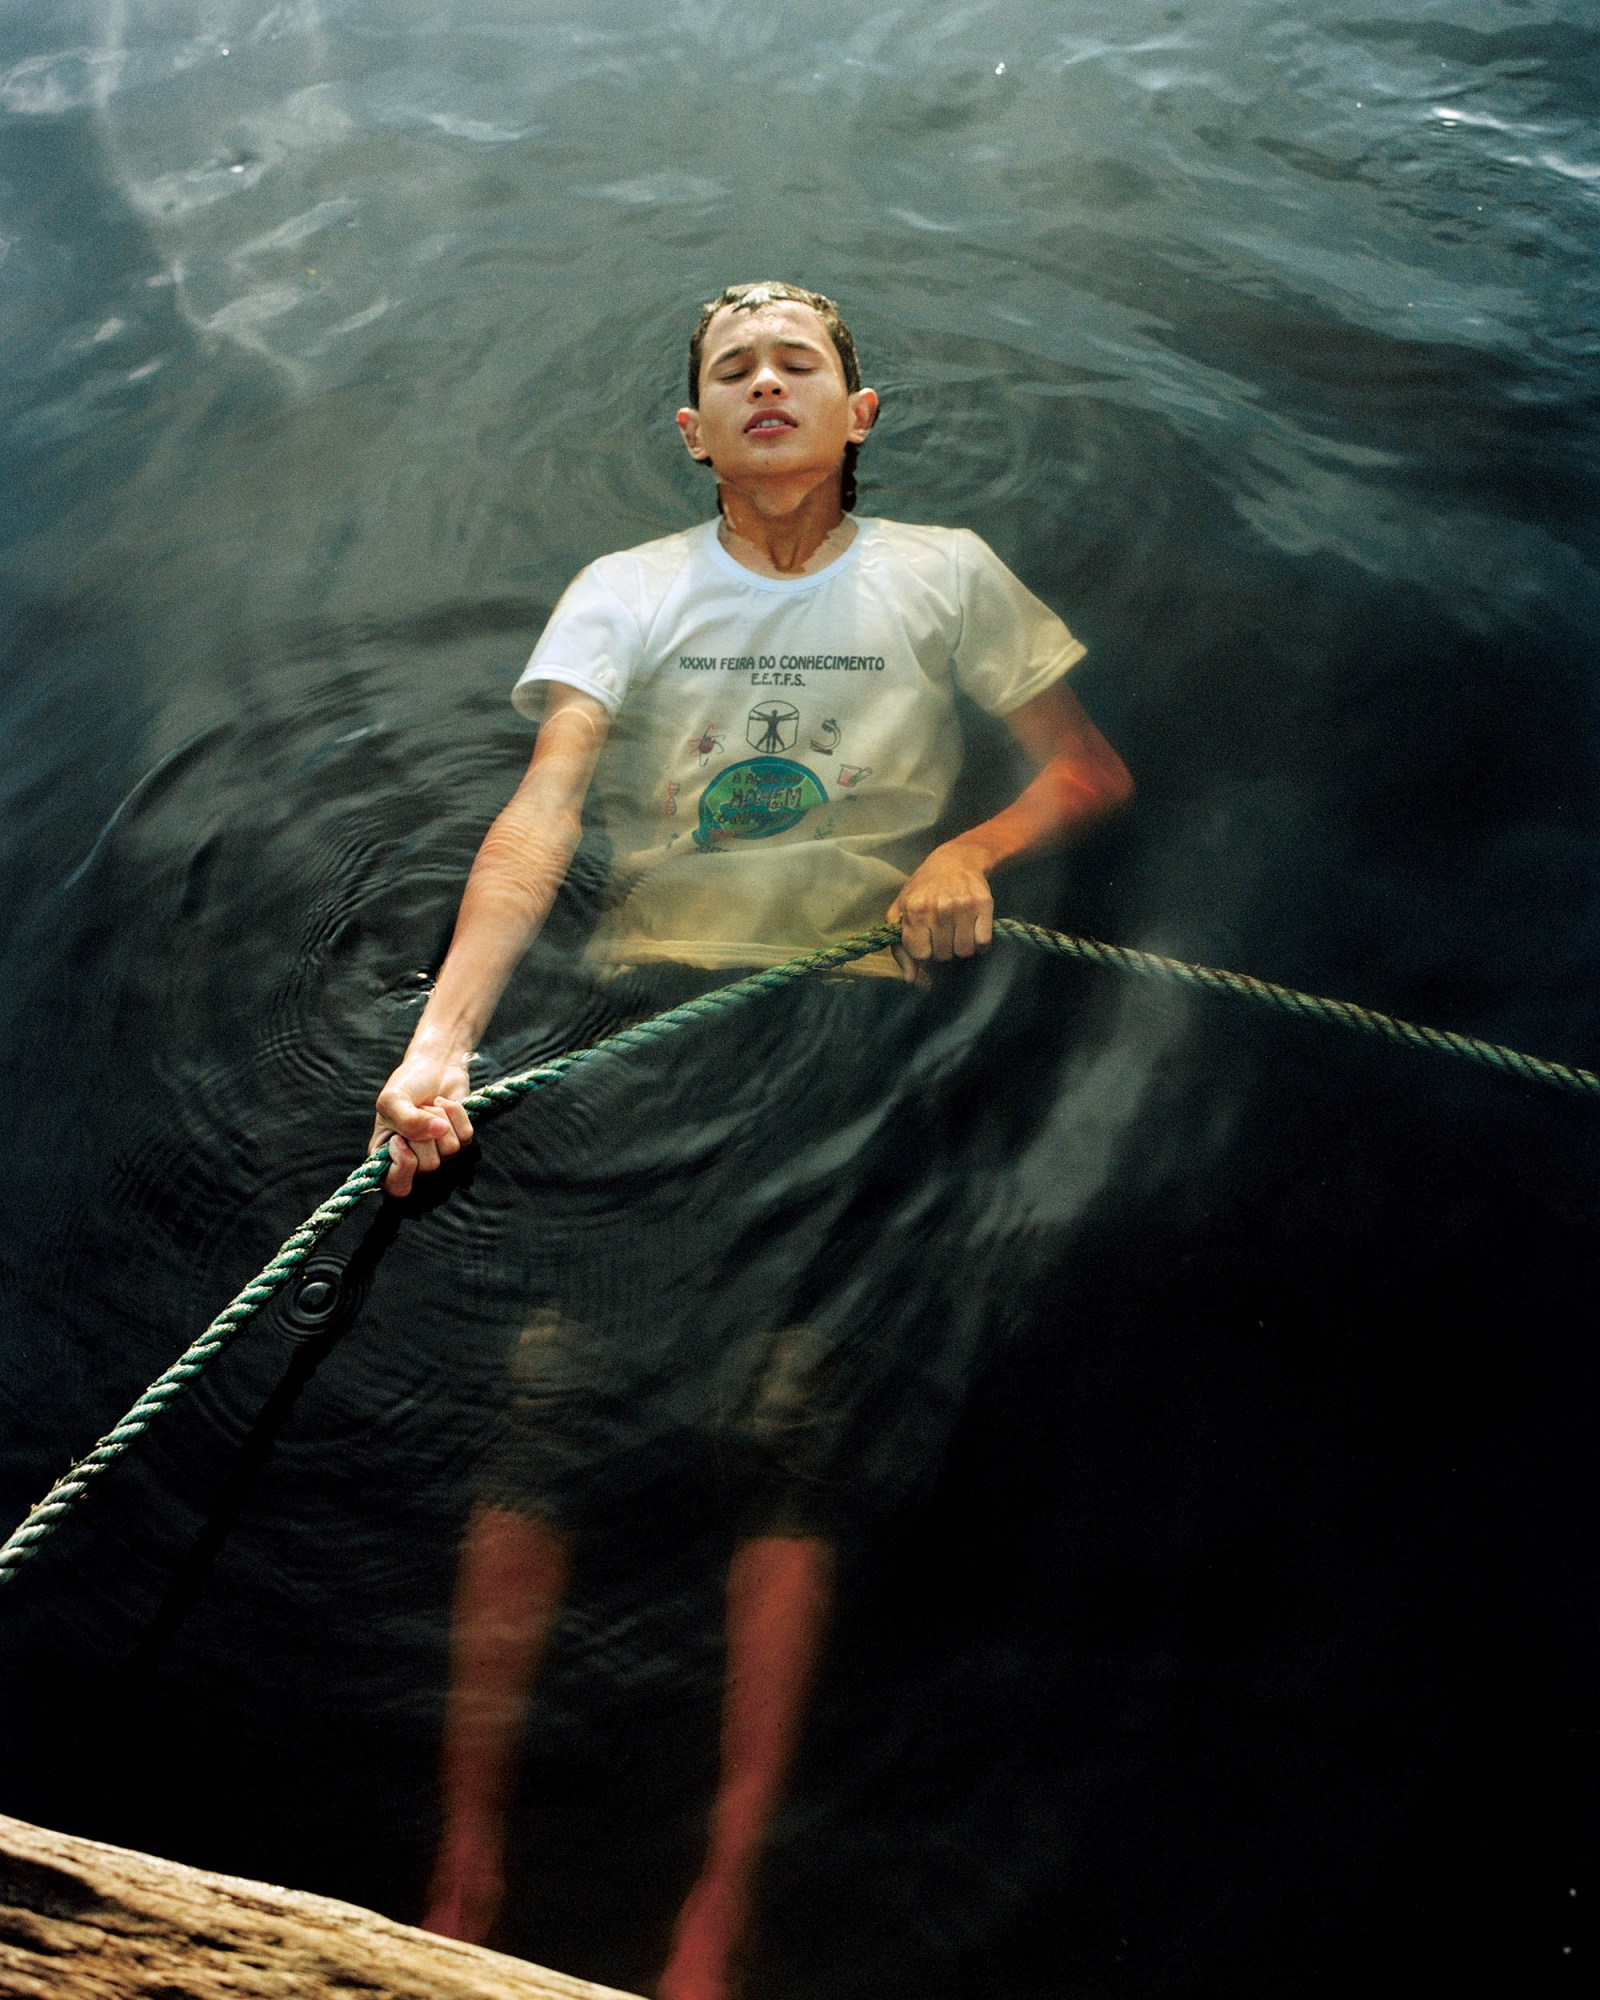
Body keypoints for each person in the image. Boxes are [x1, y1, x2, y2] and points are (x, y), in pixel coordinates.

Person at [370, 281, 1133, 2000]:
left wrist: (971, 857)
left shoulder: (948, 571)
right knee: (544, 1416)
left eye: (803, 362)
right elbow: (544, 806)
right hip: (646, 1012)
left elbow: (1086, 773)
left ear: (859, 414)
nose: (770, 382)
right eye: (736, 371)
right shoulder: (629, 589)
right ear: (695, 435)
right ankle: (464, 1855)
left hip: (841, 1017)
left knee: (787, 1425)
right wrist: (442, 1042)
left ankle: (722, 1895)